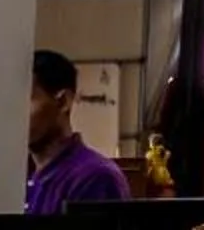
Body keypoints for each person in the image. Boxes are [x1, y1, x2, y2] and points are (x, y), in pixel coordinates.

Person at [24, 49, 130, 215]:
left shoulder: (95, 179)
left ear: (63, 102)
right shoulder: (28, 177)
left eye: (26, 100)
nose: (15, 114)